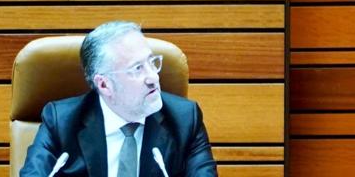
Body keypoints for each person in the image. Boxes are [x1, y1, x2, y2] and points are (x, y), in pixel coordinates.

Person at [20, 21, 217, 177]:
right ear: (105, 85)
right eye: (137, 68)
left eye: (151, 62)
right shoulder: (60, 122)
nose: (153, 77)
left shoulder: (185, 120)